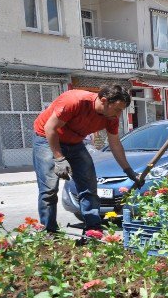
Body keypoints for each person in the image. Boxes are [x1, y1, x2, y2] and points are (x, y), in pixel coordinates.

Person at [32, 84, 141, 234]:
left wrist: (129, 171)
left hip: (75, 142)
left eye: (121, 110)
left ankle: (93, 231)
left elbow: (115, 144)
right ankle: (49, 232)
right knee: (49, 189)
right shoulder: (74, 101)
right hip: (46, 138)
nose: (118, 115)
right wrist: (59, 158)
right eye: (117, 109)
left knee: (89, 187)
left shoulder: (110, 117)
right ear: (104, 100)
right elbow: (50, 128)